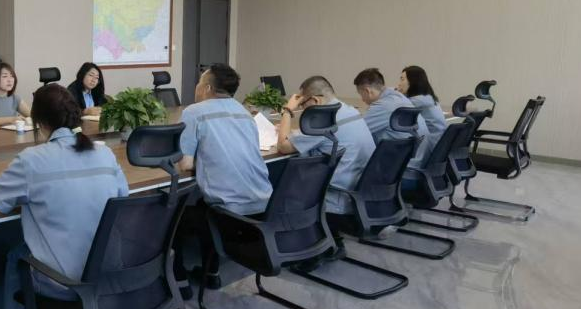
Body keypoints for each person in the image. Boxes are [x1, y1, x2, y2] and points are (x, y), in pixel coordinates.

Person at [0, 83, 129, 309]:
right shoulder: (104, 153)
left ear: (39, 122)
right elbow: (122, 195)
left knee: (16, 254)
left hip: (63, 282)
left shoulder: (32, 159)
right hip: (109, 272)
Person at [179, 64, 272, 216]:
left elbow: (185, 164)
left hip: (228, 209)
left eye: (199, 82)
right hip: (266, 203)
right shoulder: (245, 113)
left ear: (207, 88)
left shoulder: (193, 112)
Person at [277, 75, 375, 215]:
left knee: (278, 185)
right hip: (360, 194)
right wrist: (294, 132)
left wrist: (287, 111)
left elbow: (283, 146)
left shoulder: (323, 122)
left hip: (335, 200)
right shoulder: (351, 111)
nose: (303, 109)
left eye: (302, 105)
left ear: (316, 100)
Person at [354, 67, 429, 184]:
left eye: (361, 94)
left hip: (400, 175)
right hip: (416, 168)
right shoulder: (399, 97)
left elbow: (356, 133)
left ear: (368, 91)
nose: (362, 99)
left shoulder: (382, 106)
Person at [398, 65, 447, 150]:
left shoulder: (417, 101)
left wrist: (396, 94)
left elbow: (394, 108)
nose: (399, 84)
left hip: (432, 146)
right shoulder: (427, 98)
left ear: (413, 81)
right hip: (440, 145)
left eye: (402, 79)